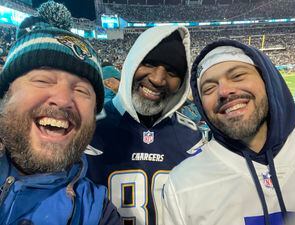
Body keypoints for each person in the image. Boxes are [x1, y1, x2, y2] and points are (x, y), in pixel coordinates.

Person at [0, 1, 120, 224]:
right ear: (5, 96)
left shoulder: (98, 212)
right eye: (42, 80)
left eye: (82, 90)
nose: (64, 99)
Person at [162, 39, 295, 225]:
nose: (224, 91)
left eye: (238, 76)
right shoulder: (183, 184)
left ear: (267, 80)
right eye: (209, 88)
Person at [86, 25, 203, 225]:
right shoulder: (89, 128)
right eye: (149, 63)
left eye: (173, 72)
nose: (158, 79)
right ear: (132, 63)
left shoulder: (191, 137)